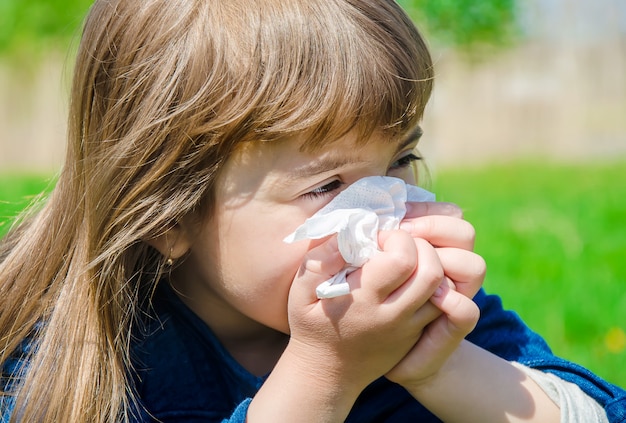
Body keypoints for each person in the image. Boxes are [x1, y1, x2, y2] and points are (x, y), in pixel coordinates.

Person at [0, 0, 624, 421]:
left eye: (400, 162)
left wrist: (439, 363)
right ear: (170, 216)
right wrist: (323, 373)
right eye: (328, 187)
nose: (388, 216)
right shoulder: (75, 359)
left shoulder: (417, 315)